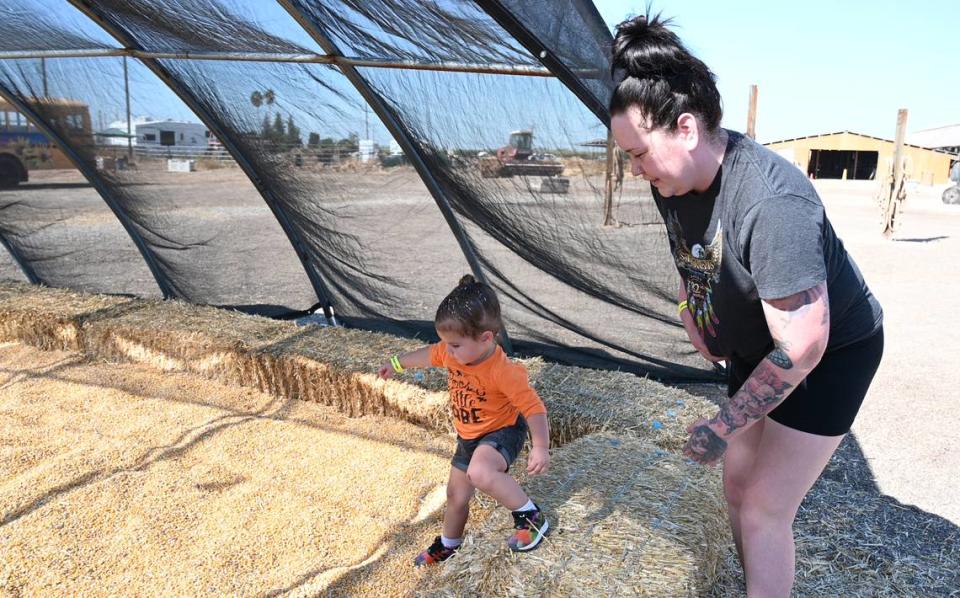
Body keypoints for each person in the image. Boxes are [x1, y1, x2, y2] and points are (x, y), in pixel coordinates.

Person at [608, 12, 884, 597]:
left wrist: (720, 424)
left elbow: (806, 343)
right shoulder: (673, 181)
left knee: (763, 505)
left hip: (830, 353)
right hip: (762, 345)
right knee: (736, 482)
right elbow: (694, 262)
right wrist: (696, 316)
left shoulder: (772, 200)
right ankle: (757, 579)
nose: (635, 170)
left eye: (638, 154)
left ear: (685, 128)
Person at [378, 274, 551, 566]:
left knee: (480, 472)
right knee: (456, 496)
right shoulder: (452, 353)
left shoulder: (503, 371)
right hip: (468, 437)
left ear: (485, 338)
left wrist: (541, 447)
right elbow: (428, 355)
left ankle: (531, 518)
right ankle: (449, 544)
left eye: (455, 345)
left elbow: (534, 408)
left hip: (502, 431)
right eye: (447, 344)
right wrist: (397, 363)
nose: (449, 351)